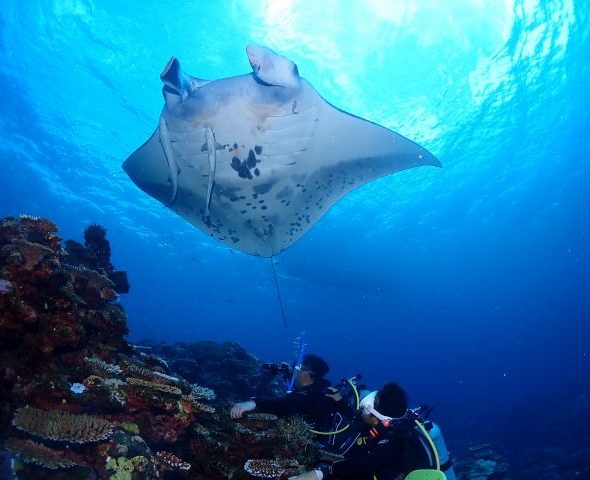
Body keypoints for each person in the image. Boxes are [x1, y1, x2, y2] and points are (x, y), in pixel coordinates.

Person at [289, 381, 441, 480]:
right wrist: (341, 402)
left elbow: (363, 466)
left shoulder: (395, 441)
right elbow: (357, 419)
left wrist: (322, 473)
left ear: (376, 417)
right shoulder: (396, 427)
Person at [230, 354, 336, 427]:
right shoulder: (320, 389)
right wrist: (287, 372)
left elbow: (285, 404)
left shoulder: (312, 395)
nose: (294, 370)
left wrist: (254, 403)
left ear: (306, 373)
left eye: (297, 367)